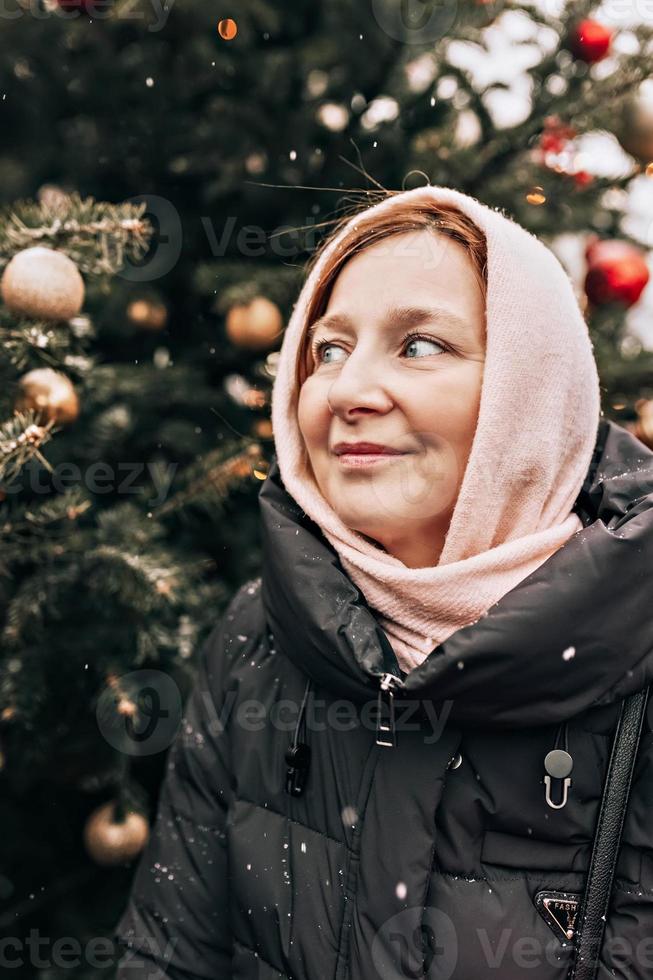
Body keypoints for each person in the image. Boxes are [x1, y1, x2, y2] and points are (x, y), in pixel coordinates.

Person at [113, 185, 653, 980]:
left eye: (418, 345)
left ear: (529, 393)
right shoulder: (259, 634)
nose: (348, 391)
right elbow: (168, 957)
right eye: (327, 350)